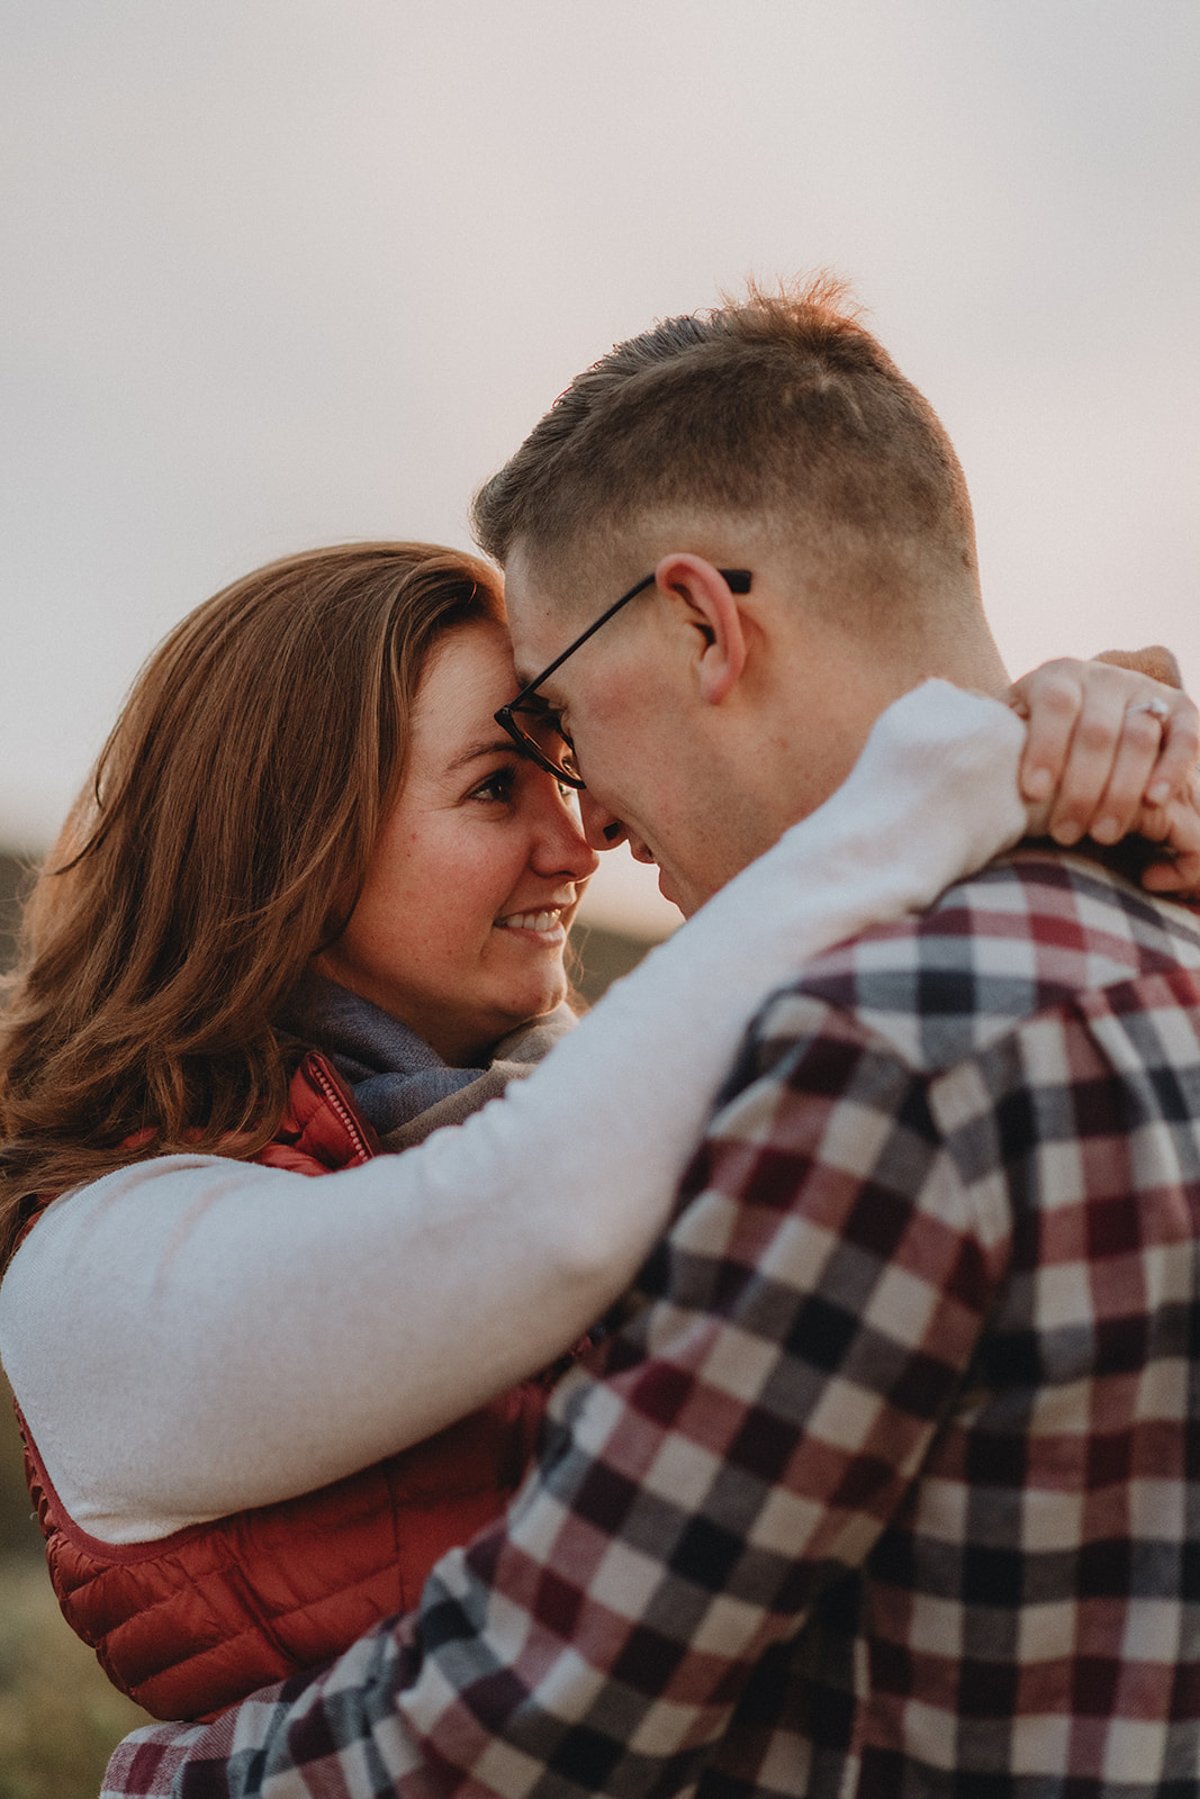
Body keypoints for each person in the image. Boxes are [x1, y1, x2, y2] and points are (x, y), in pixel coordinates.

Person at [91, 278, 1200, 1796]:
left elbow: (554, 1698)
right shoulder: (1159, 932)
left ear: (699, 618)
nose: (587, 824)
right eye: (507, 777)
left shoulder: (883, 1052)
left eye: (560, 720)